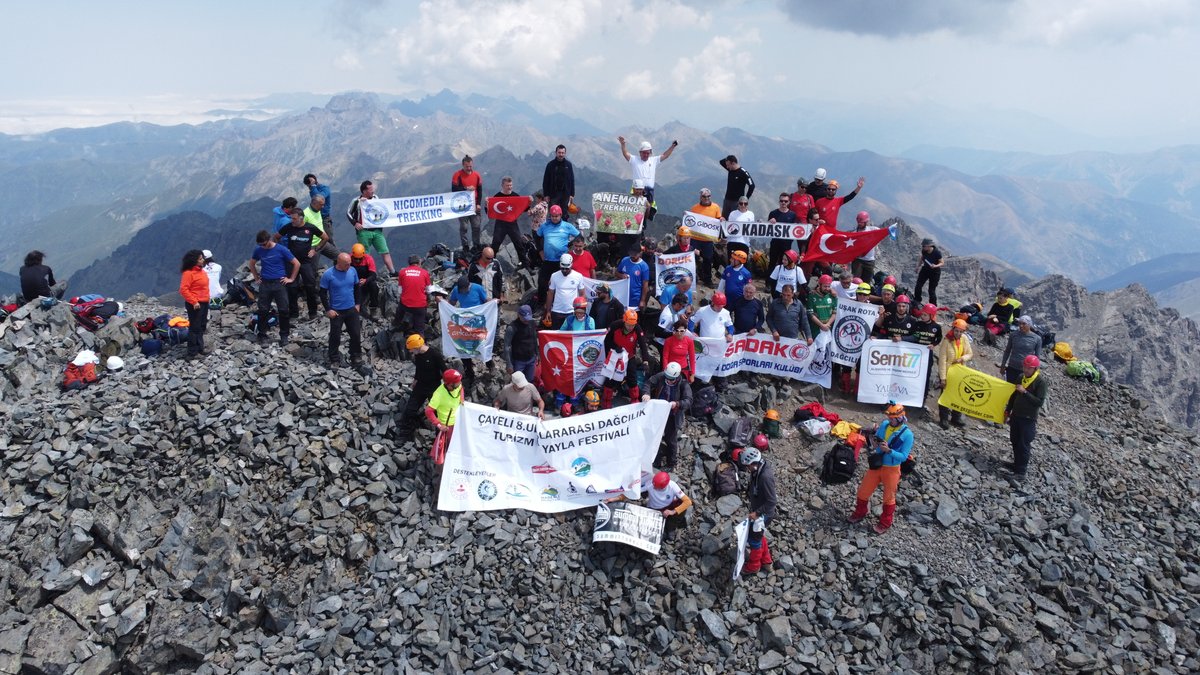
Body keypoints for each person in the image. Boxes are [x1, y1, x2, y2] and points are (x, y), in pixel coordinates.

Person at [848, 404, 913, 534]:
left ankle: (885, 523)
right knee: (863, 491)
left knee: (888, 497)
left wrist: (889, 451)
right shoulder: (884, 425)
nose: (890, 420)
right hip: (877, 465)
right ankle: (860, 512)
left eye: (893, 418)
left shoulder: (908, 435)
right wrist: (873, 440)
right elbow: (874, 441)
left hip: (892, 469)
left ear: (900, 418)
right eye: (889, 417)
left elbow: (904, 457)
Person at [608, 471, 692, 542]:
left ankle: (671, 527)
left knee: (681, 504)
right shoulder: (650, 484)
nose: (653, 486)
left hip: (669, 507)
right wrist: (617, 498)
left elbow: (688, 501)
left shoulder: (672, 486)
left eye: (656, 486)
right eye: (653, 484)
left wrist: (673, 511)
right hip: (654, 509)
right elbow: (634, 492)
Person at [248, 229, 300, 346]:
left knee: (283, 310)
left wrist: (291, 279)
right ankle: (262, 334)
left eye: (264, 244)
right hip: (265, 283)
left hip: (279, 283)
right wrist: (256, 278)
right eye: (260, 245)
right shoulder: (259, 250)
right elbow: (251, 263)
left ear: (269, 240)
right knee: (263, 310)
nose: (263, 247)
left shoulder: (281, 249)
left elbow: (296, 263)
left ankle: (284, 336)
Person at [319, 253, 366, 373]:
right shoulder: (328, 274)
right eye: (346, 264)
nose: (349, 265)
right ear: (339, 263)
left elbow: (357, 288)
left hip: (351, 309)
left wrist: (358, 304)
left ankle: (356, 356)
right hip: (337, 311)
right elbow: (323, 293)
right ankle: (334, 359)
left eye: (350, 263)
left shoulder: (352, 271)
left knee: (355, 334)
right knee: (335, 336)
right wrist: (328, 309)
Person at [1004, 355, 1047, 482]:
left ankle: (1021, 472)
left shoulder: (1040, 382)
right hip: (1016, 415)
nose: (1026, 370)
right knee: (1015, 440)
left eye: (1029, 368)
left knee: (1023, 444)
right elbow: (1013, 396)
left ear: (1035, 369)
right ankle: (1016, 465)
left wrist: (1025, 392)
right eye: (1025, 367)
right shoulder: (1020, 378)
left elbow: (1039, 402)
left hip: (1028, 418)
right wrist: (1008, 410)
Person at [642, 362, 693, 470]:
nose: (669, 380)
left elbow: (688, 401)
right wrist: (646, 393)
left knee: (671, 440)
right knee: (654, 437)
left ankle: (671, 463)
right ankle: (655, 460)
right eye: (667, 378)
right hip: (657, 414)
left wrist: (677, 404)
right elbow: (648, 383)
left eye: (671, 379)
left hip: (672, 416)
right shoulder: (661, 376)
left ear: (677, 376)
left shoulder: (684, 384)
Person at [276, 207, 321, 320]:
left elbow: (324, 237)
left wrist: (315, 249)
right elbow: (276, 237)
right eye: (291, 218)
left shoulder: (310, 228)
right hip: (292, 262)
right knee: (291, 288)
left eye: (294, 219)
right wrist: (281, 251)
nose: (292, 221)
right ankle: (294, 314)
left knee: (310, 286)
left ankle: (313, 313)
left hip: (306, 262)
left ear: (301, 218)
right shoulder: (289, 227)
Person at [398, 334, 446, 441]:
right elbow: (419, 369)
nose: (410, 352)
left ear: (418, 347)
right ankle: (405, 435)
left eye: (412, 350)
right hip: (420, 386)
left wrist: (448, 387)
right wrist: (415, 380)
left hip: (435, 387)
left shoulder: (435, 355)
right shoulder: (418, 355)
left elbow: (445, 371)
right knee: (410, 410)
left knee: (439, 413)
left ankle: (440, 439)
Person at [739, 447, 777, 574]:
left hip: (763, 514)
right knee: (759, 535)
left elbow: (771, 501)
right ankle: (767, 562)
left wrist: (757, 513)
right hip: (759, 510)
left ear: (753, 463)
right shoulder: (758, 469)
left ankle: (754, 566)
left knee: (754, 539)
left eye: (747, 466)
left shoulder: (765, 477)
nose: (747, 469)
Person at [602, 309, 650, 408]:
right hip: (615, 356)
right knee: (610, 378)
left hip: (629, 356)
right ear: (624, 321)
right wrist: (615, 347)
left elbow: (643, 345)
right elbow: (606, 341)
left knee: (632, 379)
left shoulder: (637, 328)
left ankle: (635, 400)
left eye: (632, 325)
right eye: (628, 325)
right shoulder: (615, 325)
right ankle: (606, 400)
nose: (630, 327)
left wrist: (645, 361)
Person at [346, 180, 396, 276]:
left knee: (385, 251)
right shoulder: (356, 201)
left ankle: (392, 272)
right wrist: (355, 223)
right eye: (370, 189)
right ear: (364, 191)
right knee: (365, 254)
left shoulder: (375, 198)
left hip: (377, 231)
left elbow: (380, 209)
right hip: (364, 231)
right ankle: (367, 274)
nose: (373, 191)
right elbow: (348, 213)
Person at [535, 206, 581, 306]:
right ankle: (541, 305)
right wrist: (540, 251)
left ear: (560, 215)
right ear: (550, 216)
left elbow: (579, 236)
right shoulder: (545, 226)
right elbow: (537, 237)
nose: (554, 218)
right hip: (547, 260)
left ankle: (558, 304)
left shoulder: (567, 226)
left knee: (561, 283)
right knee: (542, 283)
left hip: (561, 262)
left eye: (556, 216)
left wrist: (571, 247)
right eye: (552, 216)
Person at [936, 319, 974, 429]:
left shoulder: (964, 339)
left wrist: (962, 358)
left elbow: (970, 353)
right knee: (945, 395)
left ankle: (956, 417)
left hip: (961, 371)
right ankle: (944, 419)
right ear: (953, 329)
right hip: (949, 372)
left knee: (959, 395)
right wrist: (943, 378)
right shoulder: (947, 340)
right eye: (956, 331)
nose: (958, 333)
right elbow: (942, 360)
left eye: (961, 331)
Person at [619, 137, 677, 205]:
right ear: (640, 152)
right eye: (644, 153)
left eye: (648, 153)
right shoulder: (634, 160)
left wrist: (673, 146)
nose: (646, 155)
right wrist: (623, 144)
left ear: (650, 153)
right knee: (635, 210)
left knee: (649, 210)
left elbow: (665, 155)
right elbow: (625, 154)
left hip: (650, 191)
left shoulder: (653, 160)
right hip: (637, 190)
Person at [179, 249, 211, 359]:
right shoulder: (188, 273)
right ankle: (192, 352)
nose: (203, 260)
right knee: (195, 327)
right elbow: (183, 289)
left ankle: (200, 348)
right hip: (195, 304)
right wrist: (194, 301)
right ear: (194, 261)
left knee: (202, 326)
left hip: (204, 302)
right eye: (200, 259)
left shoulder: (201, 271)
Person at [685, 190, 721, 286]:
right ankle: (692, 278)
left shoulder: (716, 207)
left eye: (708, 196)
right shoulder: (694, 208)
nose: (707, 198)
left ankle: (707, 280)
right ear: (700, 197)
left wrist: (721, 219)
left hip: (708, 240)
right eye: (704, 196)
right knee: (692, 259)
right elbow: (690, 221)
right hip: (695, 238)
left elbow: (718, 220)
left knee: (708, 260)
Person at [910, 304, 944, 405]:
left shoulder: (936, 327)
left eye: (925, 315)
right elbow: (912, 335)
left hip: (927, 354)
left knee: (925, 375)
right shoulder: (917, 324)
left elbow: (939, 338)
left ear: (931, 315)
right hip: (915, 353)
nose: (922, 316)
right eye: (922, 314)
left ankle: (922, 397)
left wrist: (934, 344)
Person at [489, 176, 527, 261]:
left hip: (512, 223)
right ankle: (490, 262)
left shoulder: (515, 196)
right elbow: (489, 211)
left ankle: (525, 264)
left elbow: (524, 208)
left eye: (511, 185)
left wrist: (529, 201)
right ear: (502, 185)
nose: (510, 187)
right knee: (495, 244)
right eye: (507, 185)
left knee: (519, 244)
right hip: (500, 224)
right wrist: (486, 204)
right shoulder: (497, 196)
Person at [452, 155, 484, 251]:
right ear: (463, 165)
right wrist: (466, 189)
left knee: (476, 226)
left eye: (470, 166)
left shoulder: (477, 175)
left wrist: (478, 204)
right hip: (462, 205)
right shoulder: (457, 175)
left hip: (474, 205)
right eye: (467, 166)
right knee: (464, 227)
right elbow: (454, 190)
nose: (469, 168)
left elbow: (480, 190)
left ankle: (476, 246)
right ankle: (465, 246)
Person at [425, 369, 466, 444]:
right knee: (445, 447)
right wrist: (439, 425)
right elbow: (428, 411)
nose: (460, 383)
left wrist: (462, 398)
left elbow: (461, 388)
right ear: (449, 384)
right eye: (457, 383)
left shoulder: (457, 385)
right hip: (446, 427)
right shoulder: (439, 395)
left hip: (457, 422)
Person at [546, 254, 587, 328]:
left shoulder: (578, 276)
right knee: (557, 336)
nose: (564, 270)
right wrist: (548, 311)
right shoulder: (554, 276)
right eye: (562, 268)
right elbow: (550, 293)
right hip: (557, 311)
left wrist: (580, 311)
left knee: (571, 336)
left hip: (572, 312)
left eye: (567, 269)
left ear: (571, 265)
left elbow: (582, 294)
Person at [999, 315, 1042, 384]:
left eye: (1024, 324)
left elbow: (1037, 357)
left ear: (1029, 324)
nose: (1021, 326)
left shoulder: (1037, 339)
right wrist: (1003, 365)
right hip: (1012, 367)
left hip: (1026, 371)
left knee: (1020, 391)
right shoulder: (1013, 335)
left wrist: (1035, 371)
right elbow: (1007, 351)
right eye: (1020, 323)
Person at [396, 255, 432, 336]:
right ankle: (420, 338)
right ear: (419, 263)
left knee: (400, 307)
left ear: (409, 263)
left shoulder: (402, 272)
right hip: (420, 307)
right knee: (420, 329)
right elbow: (429, 291)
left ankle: (397, 322)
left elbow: (399, 291)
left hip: (406, 305)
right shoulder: (425, 273)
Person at [503, 305, 539, 383]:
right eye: (524, 318)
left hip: (531, 358)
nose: (526, 321)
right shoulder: (512, 328)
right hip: (518, 361)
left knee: (530, 380)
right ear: (519, 315)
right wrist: (509, 364)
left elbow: (534, 339)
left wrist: (537, 354)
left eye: (528, 318)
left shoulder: (532, 323)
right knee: (518, 383)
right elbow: (507, 346)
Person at [767, 192, 800, 272]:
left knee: (785, 264)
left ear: (789, 202)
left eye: (785, 201)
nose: (783, 203)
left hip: (787, 244)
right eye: (781, 201)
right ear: (779, 201)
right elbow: (766, 229)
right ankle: (769, 283)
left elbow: (795, 229)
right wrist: (769, 222)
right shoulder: (773, 213)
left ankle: (782, 281)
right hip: (775, 243)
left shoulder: (793, 215)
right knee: (772, 263)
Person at [541, 144, 575, 217]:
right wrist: (546, 194)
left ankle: (563, 227)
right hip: (553, 194)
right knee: (553, 212)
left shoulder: (568, 165)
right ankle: (553, 228)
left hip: (565, 194)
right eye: (559, 152)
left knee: (564, 213)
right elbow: (546, 180)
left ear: (565, 153)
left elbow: (571, 180)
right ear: (556, 153)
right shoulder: (550, 165)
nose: (561, 154)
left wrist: (572, 194)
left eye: (563, 153)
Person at [718, 154, 755, 219]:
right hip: (727, 200)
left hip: (736, 202)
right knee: (724, 220)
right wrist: (728, 158)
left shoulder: (743, 172)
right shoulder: (730, 169)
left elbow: (752, 186)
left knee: (734, 221)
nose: (727, 167)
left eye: (728, 165)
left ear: (733, 163)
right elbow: (721, 162)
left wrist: (746, 198)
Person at [303, 195, 338, 263]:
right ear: (314, 203)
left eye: (323, 204)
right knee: (313, 269)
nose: (323, 207)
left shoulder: (317, 210)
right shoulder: (305, 214)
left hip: (322, 242)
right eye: (321, 205)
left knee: (340, 257)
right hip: (312, 246)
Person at [349, 243, 380, 318]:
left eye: (360, 258)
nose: (358, 260)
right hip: (353, 282)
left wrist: (366, 280)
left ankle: (373, 308)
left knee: (374, 286)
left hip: (366, 282)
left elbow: (373, 275)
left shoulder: (368, 259)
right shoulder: (348, 259)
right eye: (355, 258)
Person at [616, 245, 651, 311]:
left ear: (640, 253)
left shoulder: (644, 266)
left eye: (635, 254)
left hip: (635, 300)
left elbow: (645, 285)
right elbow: (616, 273)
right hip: (622, 297)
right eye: (631, 254)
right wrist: (621, 276)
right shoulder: (624, 260)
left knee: (632, 320)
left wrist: (642, 301)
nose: (633, 256)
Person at [913, 238, 944, 305]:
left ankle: (933, 305)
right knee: (918, 285)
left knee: (931, 290)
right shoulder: (924, 251)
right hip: (925, 269)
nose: (923, 247)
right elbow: (922, 258)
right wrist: (918, 266)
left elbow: (942, 263)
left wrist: (935, 266)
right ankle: (917, 299)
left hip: (935, 272)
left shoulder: (936, 253)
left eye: (924, 246)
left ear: (929, 246)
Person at [851, 212, 880, 281]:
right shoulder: (854, 234)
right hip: (858, 260)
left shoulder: (872, 230)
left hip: (870, 261)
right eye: (859, 222)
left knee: (867, 282)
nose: (860, 224)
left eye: (862, 222)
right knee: (856, 280)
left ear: (866, 222)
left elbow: (883, 232)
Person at [303, 173, 333, 239]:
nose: (309, 187)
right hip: (316, 217)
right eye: (308, 186)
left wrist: (313, 186)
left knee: (328, 238)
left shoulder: (325, 189)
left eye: (309, 185)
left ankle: (333, 249)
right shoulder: (313, 189)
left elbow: (319, 198)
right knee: (318, 238)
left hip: (324, 218)